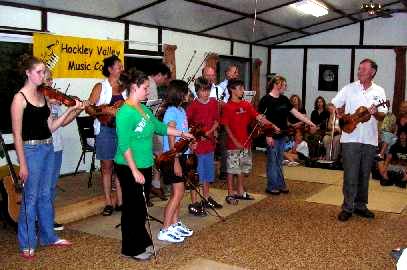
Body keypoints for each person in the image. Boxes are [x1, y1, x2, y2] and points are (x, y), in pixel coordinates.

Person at [114, 71, 192, 260]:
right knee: (132, 208)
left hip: (146, 164)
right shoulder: (125, 112)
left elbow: (160, 127)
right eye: (145, 88)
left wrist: (182, 133)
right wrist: (134, 170)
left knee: (141, 208)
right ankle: (130, 248)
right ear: (134, 88)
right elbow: (124, 145)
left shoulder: (144, 110)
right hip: (128, 166)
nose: (148, 91)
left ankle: (141, 240)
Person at [10, 55, 83, 259]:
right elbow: (17, 135)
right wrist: (22, 164)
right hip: (30, 151)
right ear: (28, 73)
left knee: (45, 196)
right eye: (40, 72)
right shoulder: (19, 98)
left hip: (48, 148)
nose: (44, 76)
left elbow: (51, 126)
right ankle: (27, 242)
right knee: (30, 197)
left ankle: (48, 236)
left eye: (44, 72)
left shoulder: (43, 96)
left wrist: (71, 109)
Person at [331, 58, 387, 222]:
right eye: (359, 69)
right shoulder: (349, 88)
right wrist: (339, 112)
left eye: (363, 69)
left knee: (364, 174)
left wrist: (375, 112)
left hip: (370, 139)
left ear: (372, 72)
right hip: (350, 137)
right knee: (350, 174)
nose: (359, 71)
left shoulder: (379, 91)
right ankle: (348, 207)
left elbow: (383, 114)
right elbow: (333, 104)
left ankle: (361, 206)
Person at [258, 75, 316, 195]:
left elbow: (296, 113)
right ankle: (272, 185)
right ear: (276, 84)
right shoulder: (265, 100)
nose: (285, 87)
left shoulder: (284, 99)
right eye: (284, 85)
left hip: (282, 135)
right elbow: (261, 120)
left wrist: (310, 123)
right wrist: (268, 135)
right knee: (272, 161)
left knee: (279, 161)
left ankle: (280, 183)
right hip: (271, 135)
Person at [43, 68, 85, 231]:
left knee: (52, 186)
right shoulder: (38, 101)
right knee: (44, 187)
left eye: (51, 79)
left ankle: (49, 218)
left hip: (57, 146)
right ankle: (44, 220)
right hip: (44, 147)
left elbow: (63, 122)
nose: (51, 83)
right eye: (48, 80)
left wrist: (75, 110)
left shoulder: (54, 99)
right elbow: (50, 127)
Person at [221, 79, 272, 204]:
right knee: (232, 170)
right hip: (233, 145)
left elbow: (257, 116)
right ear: (232, 89)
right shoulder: (228, 107)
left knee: (243, 169)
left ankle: (240, 192)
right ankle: (230, 194)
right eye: (240, 88)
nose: (242, 91)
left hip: (246, 142)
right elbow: (226, 127)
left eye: (243, 88)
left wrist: (271, 124)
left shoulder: (246, 105)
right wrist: (235, 142)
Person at [158, 80, 196, 243]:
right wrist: (175, 161)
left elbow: (182, 133)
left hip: (182, 155)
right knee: (178, 193)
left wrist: (191, 143)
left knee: (177, 193)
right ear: (179, 93)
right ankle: (165, 229)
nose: (189, 94)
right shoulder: (172, 110)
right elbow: (171, 135)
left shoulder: (181, 109)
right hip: (174, 157)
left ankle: (174, 223)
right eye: (186, 91)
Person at [88, 55, 124, 216]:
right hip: (105, 130)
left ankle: (121, 200)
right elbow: (88, 108)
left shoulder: (126, 87)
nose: (122, 69)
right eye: (119, 66)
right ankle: (108, 201)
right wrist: (104, 110)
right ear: (110, 69)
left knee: (121, 165)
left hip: (122, 130)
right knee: (107, 167)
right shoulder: (100, 86)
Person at [186, 76, 222, 212]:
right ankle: (195, 202)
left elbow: (217, 121)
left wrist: (210, 131)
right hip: (198, 146)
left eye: (207, 90)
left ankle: (206, 198)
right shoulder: (193, 105)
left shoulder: (213, 103)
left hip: (209, 144)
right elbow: (187, 125)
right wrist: (195, 137)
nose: (205, 93)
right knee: (196, 175)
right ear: (197, 91)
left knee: (207, 174)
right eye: (202, 90)